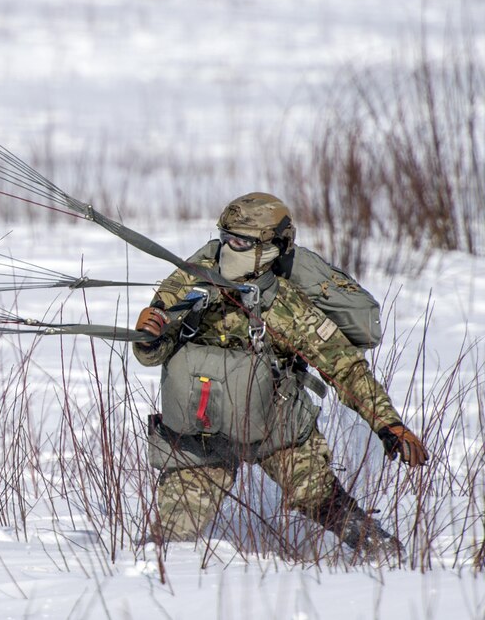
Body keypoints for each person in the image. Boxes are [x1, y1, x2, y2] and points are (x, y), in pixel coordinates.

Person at [132, 192, 428, 561]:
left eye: (241, 241)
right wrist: (149, 337)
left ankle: (389, 558)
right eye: (225, 237)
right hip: (201, 431)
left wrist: (389, 425)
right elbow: (153, 353)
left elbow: (345, 368)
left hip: (277, 425)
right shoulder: (189, 282)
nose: (229, 248)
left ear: (272, 247)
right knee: (169, 541)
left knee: (320, 498)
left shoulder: (289, 306)